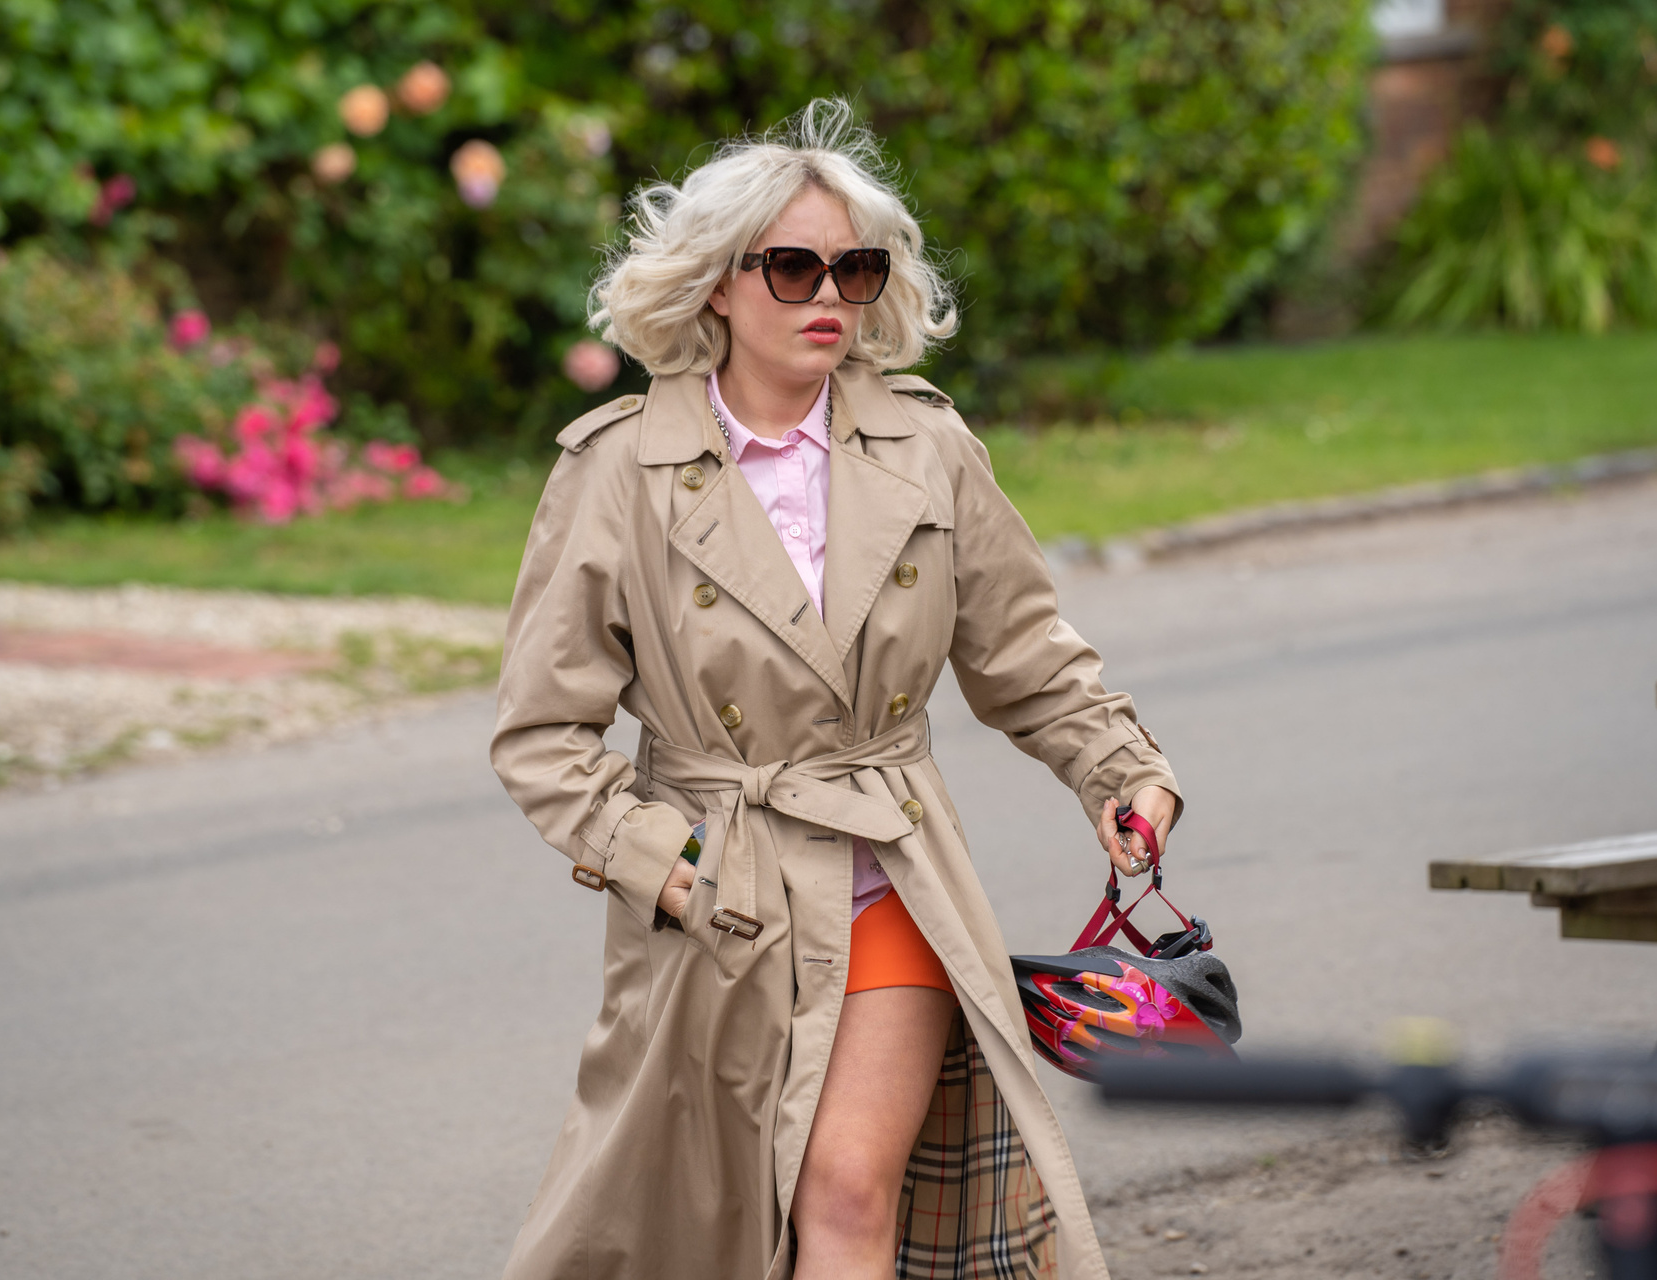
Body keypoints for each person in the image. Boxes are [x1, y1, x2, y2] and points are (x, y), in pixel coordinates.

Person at [490, 99, 1179, 1280]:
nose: (829, 295)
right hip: (720, 895)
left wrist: (1120, 772)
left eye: (855, 269)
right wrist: (662, 860)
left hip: (890, 866)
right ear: (717, 283)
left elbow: (1023, 648)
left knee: (847, 1186)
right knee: (699, 1231)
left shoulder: (927, 444)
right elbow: (542, 731)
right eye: (794, 266)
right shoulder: (617, 468)